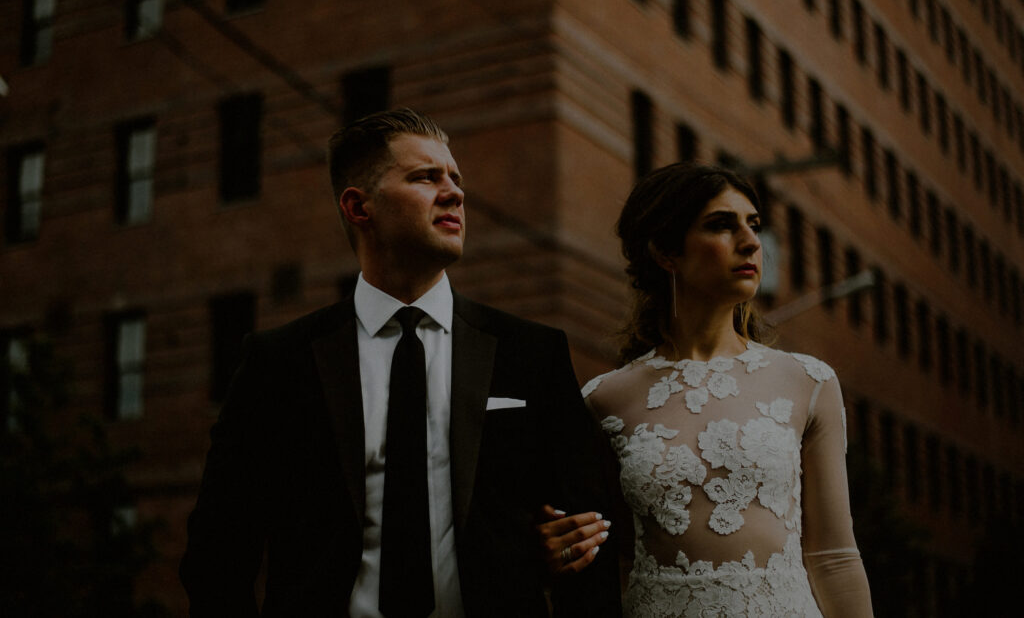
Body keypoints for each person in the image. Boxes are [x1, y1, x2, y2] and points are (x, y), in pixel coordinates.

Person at [179, 108, 621, 617]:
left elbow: (588, 539)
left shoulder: (532, 353)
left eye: (455, 178)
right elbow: (219, 550)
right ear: (358, 206)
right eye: (425, 177)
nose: (454, 192)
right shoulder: (277, 363)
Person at [538, 164, 872, 616]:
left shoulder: (809, 383)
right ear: (665, 251)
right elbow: (613, 563)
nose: (751, 241)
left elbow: (833, 558)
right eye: (721, 225)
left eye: (753, 224)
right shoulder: (604, 400)